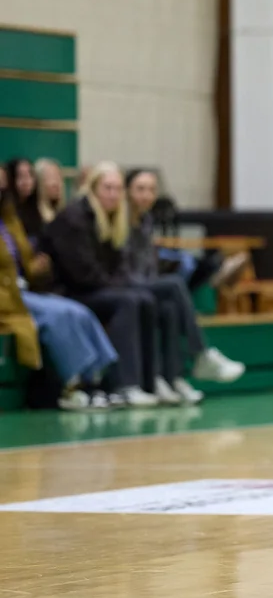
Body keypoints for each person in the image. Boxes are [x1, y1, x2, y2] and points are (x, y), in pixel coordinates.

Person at [40, 162, 162, 407]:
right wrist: (121, 285)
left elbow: (114, 267)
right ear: (93, 188)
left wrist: (120, 284)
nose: (113, 194)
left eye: (117, 189)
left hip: (95, 288)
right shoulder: (74, 218)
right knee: (128, 301)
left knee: (145, 299)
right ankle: (123, 384)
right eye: (107, 188)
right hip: (68, 292)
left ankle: (149, 382)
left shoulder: (112, 219)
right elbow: (82, 275)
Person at [125, 167, 244, 404]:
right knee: (174, 284)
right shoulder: (121, 222)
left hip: (144, 284)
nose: (146, 195)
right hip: (126, 285)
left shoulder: (146, 221)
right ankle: (201, 354)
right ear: (127, 191)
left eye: (151, 190)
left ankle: (171, 378)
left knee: (169, 307)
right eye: (140, 189)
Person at [0, 184, 118, 411]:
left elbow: (24, 264)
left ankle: (94, 379)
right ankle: (71, 386)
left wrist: (39, 267)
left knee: (78, 311)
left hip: (22, 290)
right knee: (58, 315)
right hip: (6, 298)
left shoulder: (9, 221)